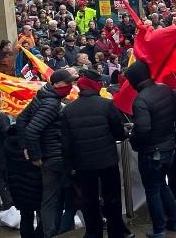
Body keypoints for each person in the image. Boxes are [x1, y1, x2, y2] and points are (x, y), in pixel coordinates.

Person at [60, 68, 131, 238]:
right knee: (112, 198)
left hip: (84, 164)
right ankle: (117, 232)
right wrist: (125, 132)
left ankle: (93, 233)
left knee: (89, 200)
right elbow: (119, 133)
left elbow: (66, 143)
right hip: (107, 161)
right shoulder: (107, 105)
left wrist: (69, 166)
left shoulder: (68, 110)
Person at [16, 67, 75, 238]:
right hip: (54, 157)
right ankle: (56, 233)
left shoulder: (42, 96)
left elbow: (21, 119)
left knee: (51, 199)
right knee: (59, 199)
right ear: (56, 84)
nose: (70, 86)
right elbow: (32, 130)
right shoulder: (51, 103)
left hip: (49, 156)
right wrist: (35, 156)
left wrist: (25, 147)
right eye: (68, 83)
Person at [126, 61, 176, 238]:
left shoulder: (141, 100)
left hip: (152, 152)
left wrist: (132, 135)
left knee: (152, 190)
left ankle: (159, 229)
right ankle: (174, 221)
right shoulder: (165, 89)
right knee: (162, 186)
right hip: (169, 146)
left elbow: (143, 130)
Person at [6, 124, 42, 238]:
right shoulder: (32, 142)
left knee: (26, 216)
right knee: (43, 215)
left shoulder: (7, 142)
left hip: (16, 185)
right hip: (35, 184)